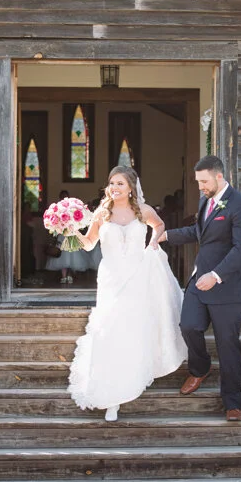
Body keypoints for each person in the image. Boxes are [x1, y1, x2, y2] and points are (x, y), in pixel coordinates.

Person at [66, 166, 186, 421]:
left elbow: (160, 224)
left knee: (131, 328)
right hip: (110, 279)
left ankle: (134, 375)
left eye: (120, 183)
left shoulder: (143, 210)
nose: (114, 188)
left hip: (137, 276)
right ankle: (112, 396)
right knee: (110, 330)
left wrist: (154, 241)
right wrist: (72, 231)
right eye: (112, 183)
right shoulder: (102, 212)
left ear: (131, 187)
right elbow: (88, 244)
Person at [158, 155, 241, 422]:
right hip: (199, 281)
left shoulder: (240, 204)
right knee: (188, 325)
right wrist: (166, 236)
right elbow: (198, 233)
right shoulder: (205, 201)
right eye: (198, 181)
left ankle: (233, 402)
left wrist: (216, 275)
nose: (200, 186)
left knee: (228, 345)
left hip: (228, 287)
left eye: (203, 181)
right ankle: (200, 368)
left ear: (219, 177)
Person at [45, 191, 89, 284]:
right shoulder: (58, 210)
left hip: (71, 233)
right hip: (62, 235)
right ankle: (64, 276)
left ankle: (69, 275)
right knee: (63, 256)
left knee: (71, 256)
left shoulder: (72, 208)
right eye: (62, 196)